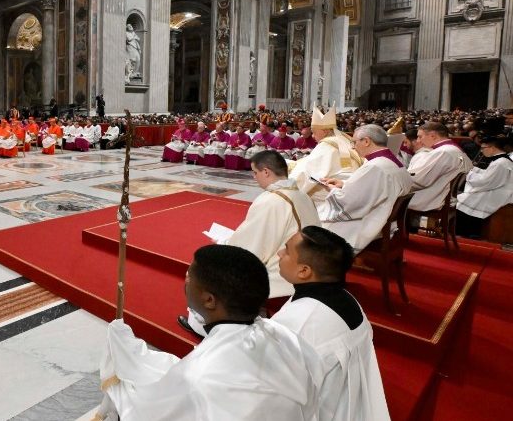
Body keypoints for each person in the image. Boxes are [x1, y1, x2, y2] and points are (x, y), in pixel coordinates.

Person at [96, 245, 326, 421]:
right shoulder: (286, 336)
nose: (185, 280)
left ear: (209, 300)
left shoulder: (199, 375)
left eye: (189, 276)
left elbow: (152, 411)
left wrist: (120, 373)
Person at [179, 151, 320, 337]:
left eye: (255, 173)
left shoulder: (271, 200)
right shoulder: (302, 196)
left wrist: (225, 243)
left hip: (282, 274)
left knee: (208, 272)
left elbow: (250, 248)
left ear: (266, 172)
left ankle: (213, 329)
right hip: (307, 264)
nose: (254, 178)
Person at [273, 226, 390, 421]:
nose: (280, 253)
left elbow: (272, 390)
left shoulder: (297, 323)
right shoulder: (347, 298)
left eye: (286, 250)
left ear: (304, 271)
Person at [316, 124, 414, 251]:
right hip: (388, 222)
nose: (353, 147)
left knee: (315, 221)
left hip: (371, 224)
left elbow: (348, 203)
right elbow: (376, 190)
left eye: (354, 142)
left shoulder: (375, 166)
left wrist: (332, 189)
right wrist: (343, 184)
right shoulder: (394, 162)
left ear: (366, 141)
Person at [289, 105, 364, 203]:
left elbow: (307, 171)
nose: (313, 136)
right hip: (354, 185)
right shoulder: (343, 138)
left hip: (340, 190)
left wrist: (287, 188)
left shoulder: (327, 144)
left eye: (314, 132)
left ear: (325, 131)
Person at [456, 134, 513, 238]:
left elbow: (486, 182)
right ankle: (466, 233)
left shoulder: (501, 163)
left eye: (483, 148)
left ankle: (466, 234)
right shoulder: (500, 161)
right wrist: (474, 170)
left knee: (464, 202)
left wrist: (470, 173)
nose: (481, 151)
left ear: (492, 147)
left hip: (497, 194)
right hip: (495, 190)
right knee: (464, 201)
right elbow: (489, 176)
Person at [408, 122, 472, 214]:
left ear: (433, 136)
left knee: (389, 197)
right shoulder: (452, 149)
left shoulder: (443, 152)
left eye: (420, 137)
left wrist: (399, 178)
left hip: (433, 199)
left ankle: (395, 228)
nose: (418, 141)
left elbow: (419, 180)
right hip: (445, 196)